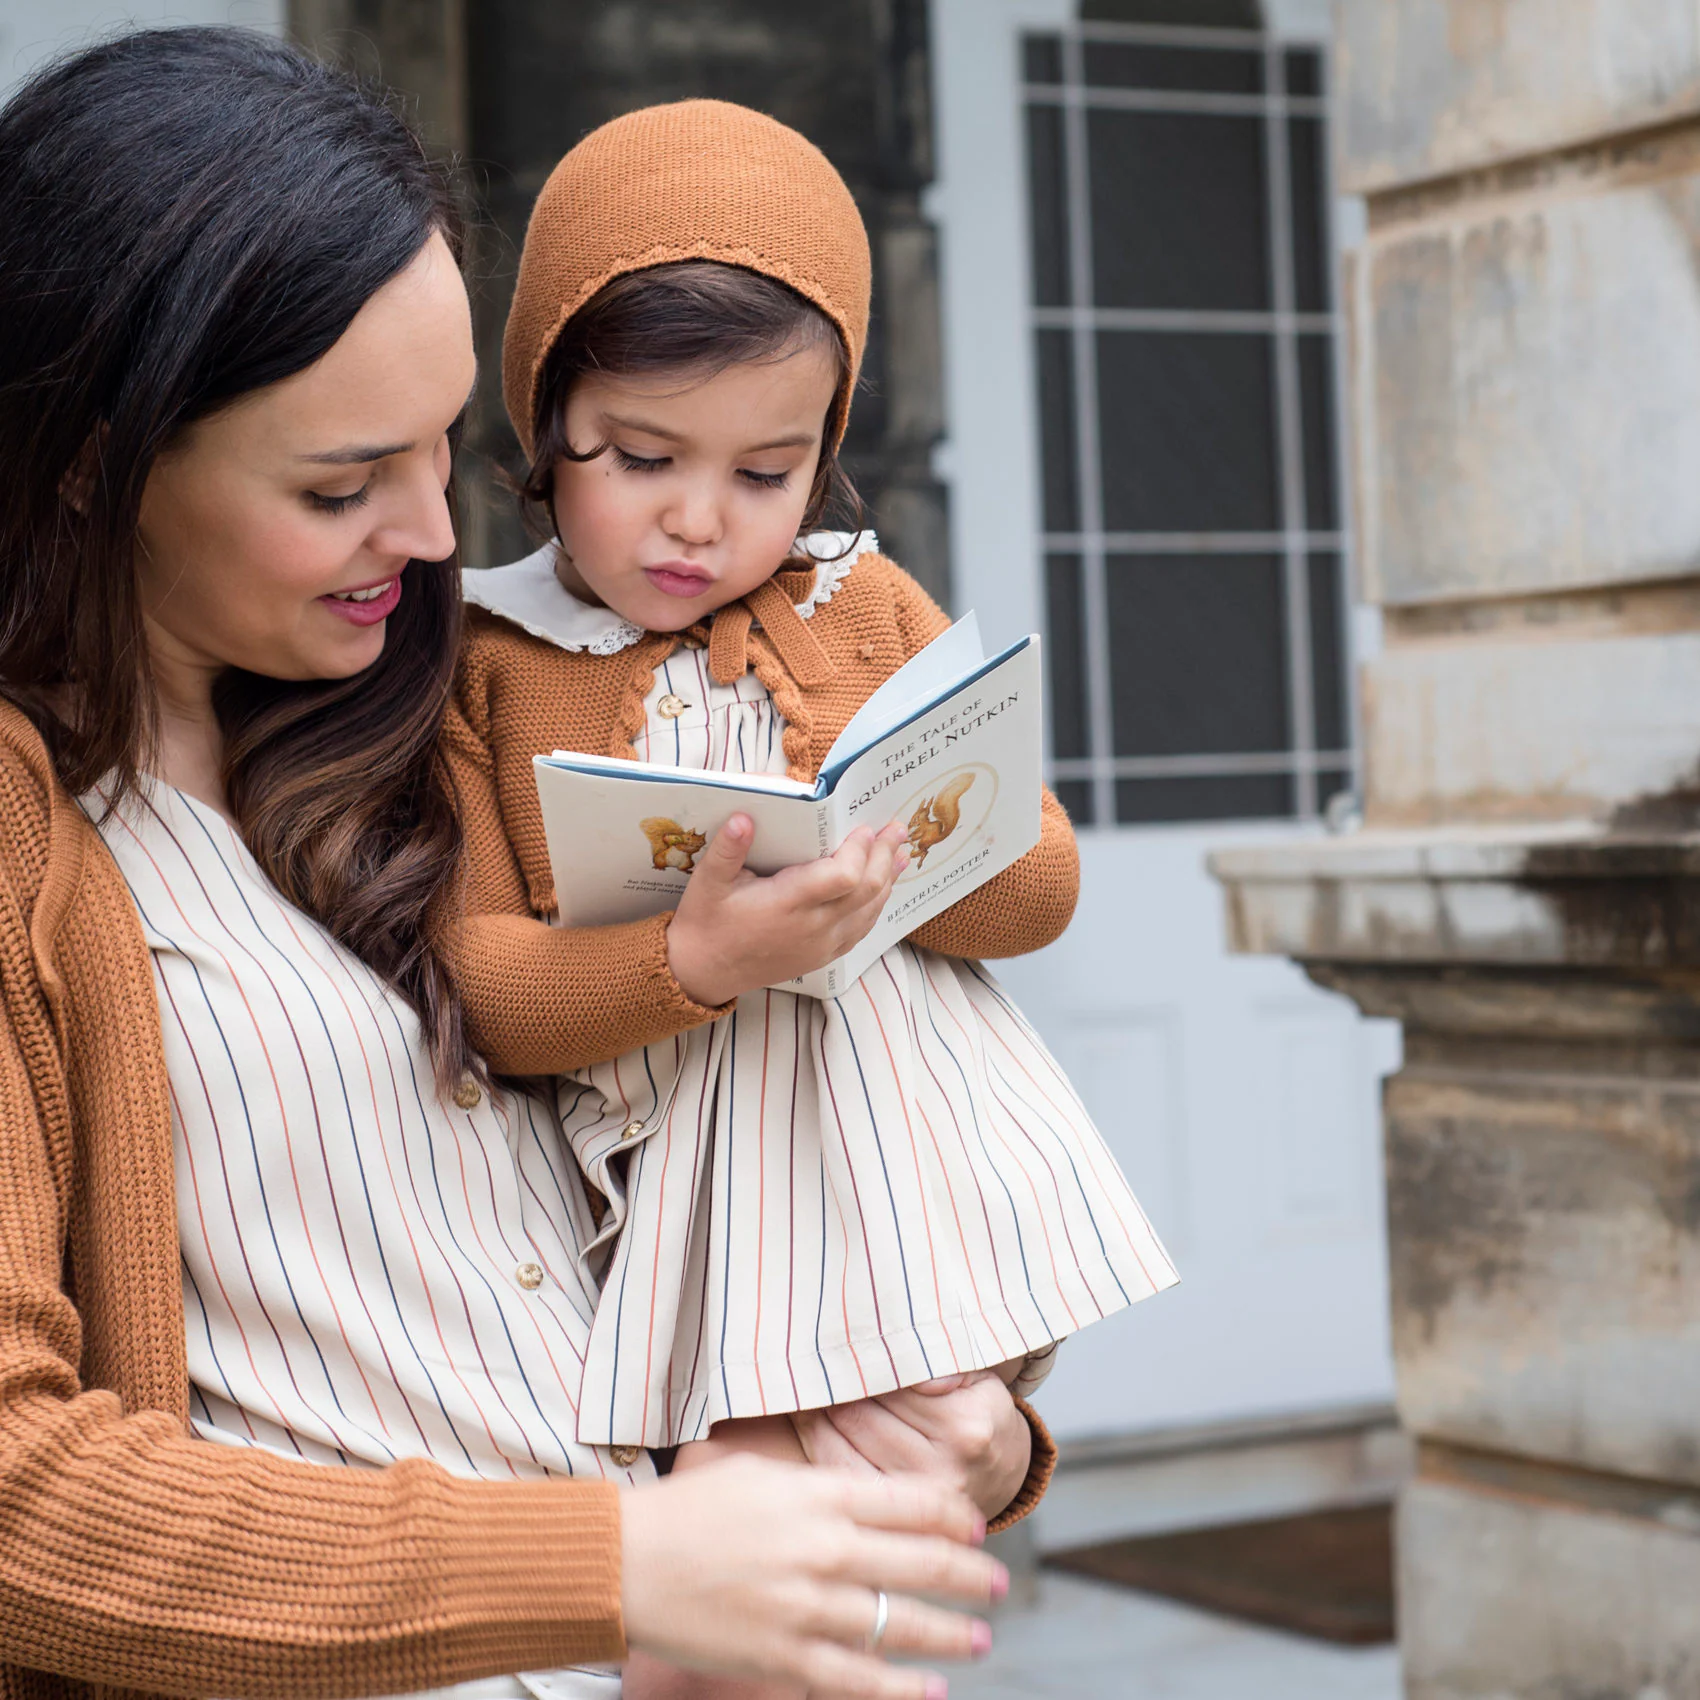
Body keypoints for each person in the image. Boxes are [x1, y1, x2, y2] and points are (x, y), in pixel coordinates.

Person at [0, 31, 1024, 1700]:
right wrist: (613, 1570)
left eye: (443, 447)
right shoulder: (31, 842)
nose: (428, 535)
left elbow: (730, 1165)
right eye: (342, 483)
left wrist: (937, 1436)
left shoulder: (431, 733)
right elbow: (17, 1504)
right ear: (94, 467)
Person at [447, 101, 1182, 1698]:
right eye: (642, 460)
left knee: (881, 1548)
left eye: (767, 470)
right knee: (724, 1572)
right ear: (541, 416)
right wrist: (694, 956)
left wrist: (903, 840)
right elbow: (492, 984)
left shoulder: (863, 605)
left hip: (894, 1160)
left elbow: (1043, 881)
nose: (702, 519)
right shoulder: (488, 663)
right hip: (698, 1187)